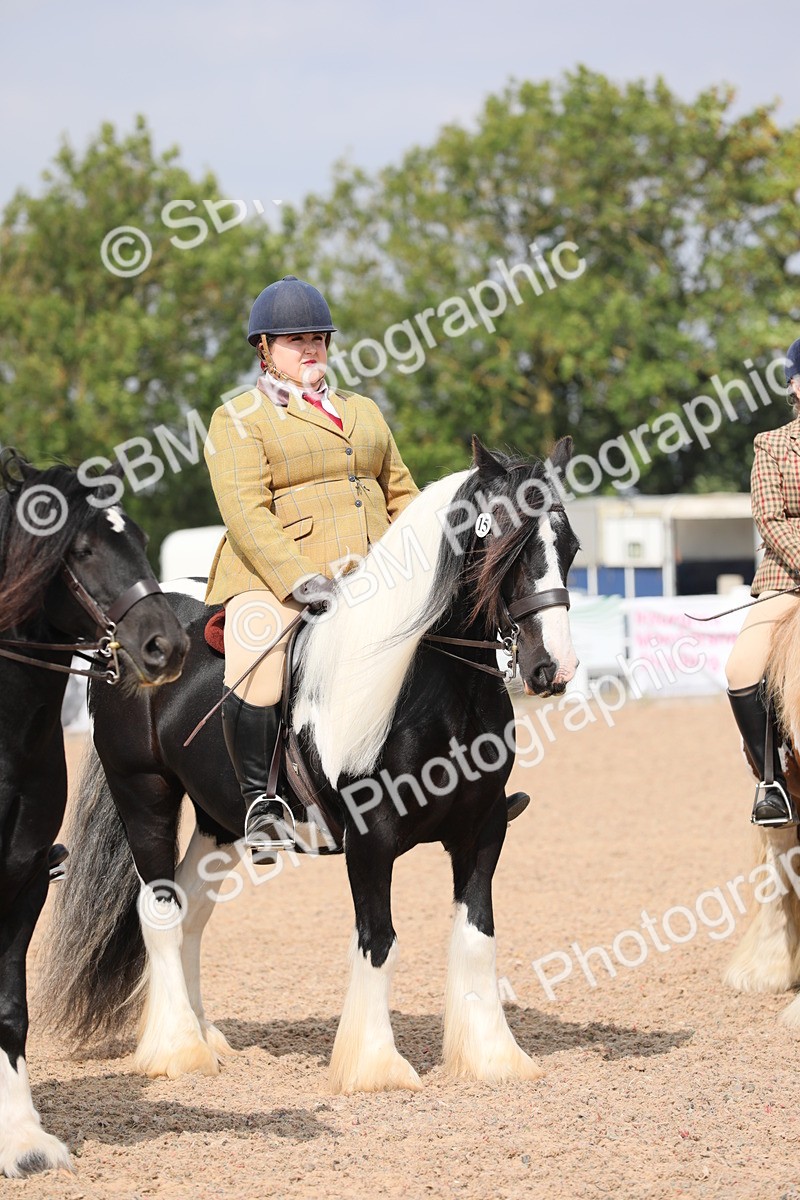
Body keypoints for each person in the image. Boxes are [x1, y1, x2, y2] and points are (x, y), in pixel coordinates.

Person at [204, 275, 530, 852]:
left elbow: (403, 495)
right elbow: (246, 514)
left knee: (445, 641)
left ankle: (473, 790)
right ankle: (261, 803)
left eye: (318, 338)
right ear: (265, 349)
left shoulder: (363, 410)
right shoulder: (239, 418)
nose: (310, 349)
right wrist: (301, 579)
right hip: (275, 577)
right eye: (295, 340)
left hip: (376, 572)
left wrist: (437, 561)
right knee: (261, 657)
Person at [726, 337, 800, 827]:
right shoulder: (771, 445)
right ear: (795, 385)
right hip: (787, 579)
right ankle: (771, 783)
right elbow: (771, 520)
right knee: (741, 668)